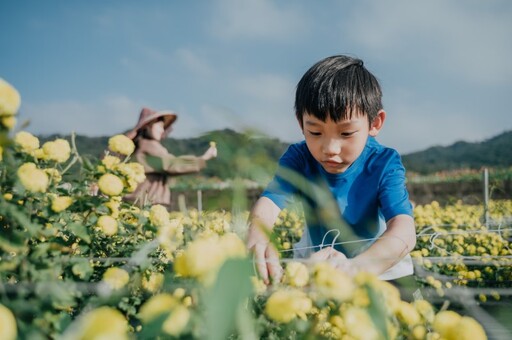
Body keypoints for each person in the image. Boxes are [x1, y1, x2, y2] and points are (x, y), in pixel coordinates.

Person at [247, 55, 416, 285]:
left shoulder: (384, 162)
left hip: (380, 270)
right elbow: (269, 203)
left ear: (375, 123)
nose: (329, 149)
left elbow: (404, 228)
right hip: (315, 270)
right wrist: (259, 238)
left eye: (346, 134)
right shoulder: (299, 158)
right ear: (301, 123)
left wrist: (353, 269)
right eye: (315, 133)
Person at [123, 107, 217, 209]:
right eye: (159, 126)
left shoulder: (140, 145)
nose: (162, 130)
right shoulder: (149, 145)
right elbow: (171, 164)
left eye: (163, 127)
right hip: (146, 203)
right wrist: (203, 159)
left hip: (140, 201)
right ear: (148, 126)